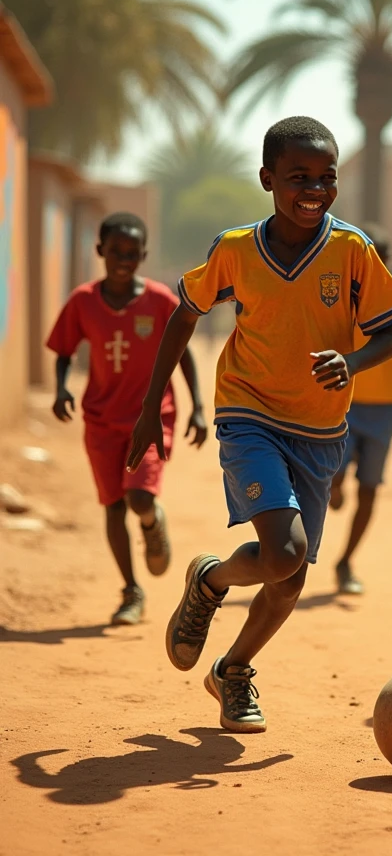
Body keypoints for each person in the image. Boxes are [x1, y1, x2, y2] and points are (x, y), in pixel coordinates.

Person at [126, 116, 392, 733]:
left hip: (320, 430)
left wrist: (354, 359)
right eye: (299, 177)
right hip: (249, 411)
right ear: (267, 179)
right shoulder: (234, 249)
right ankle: (213, 581)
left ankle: (231, 666)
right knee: (285, 550)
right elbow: (185, 315)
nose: (315, 189)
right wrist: (152, 408)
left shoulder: (352, 250)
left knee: (287, 580)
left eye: (326, 177)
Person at [47, 212, 207, 625]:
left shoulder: (158, 301)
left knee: (139, 498)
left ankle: (152, 523)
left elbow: (182, 350)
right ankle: (131, 592)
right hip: (101, 419)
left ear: (143, 255)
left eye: (132, 253)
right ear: (100, 251)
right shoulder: (83, 301)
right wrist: (62, 386)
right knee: (114, 505)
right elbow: (64, 350)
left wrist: (199, 406)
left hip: (151, 418)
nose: (123, 259)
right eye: (115, 251)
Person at [329, 224, 392, 595]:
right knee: (334, 475)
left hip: (384, 410)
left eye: (381, 259)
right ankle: (334, 486)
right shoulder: (341, 299)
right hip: (343, 404)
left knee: (370, 489)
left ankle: (345, 561)